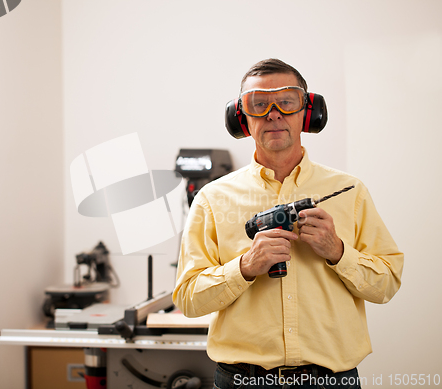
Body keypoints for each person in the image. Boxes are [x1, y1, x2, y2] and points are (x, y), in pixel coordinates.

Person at [172, 58, 404, 389]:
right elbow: (188, 299)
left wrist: (337, 251)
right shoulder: (212, 199)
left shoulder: (351, 192)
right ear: (242, 118)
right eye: (259, 104)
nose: (274, 113)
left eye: (287, 101)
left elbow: (387, 285)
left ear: (308, 112)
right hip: (242, 381)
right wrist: (245, 267)